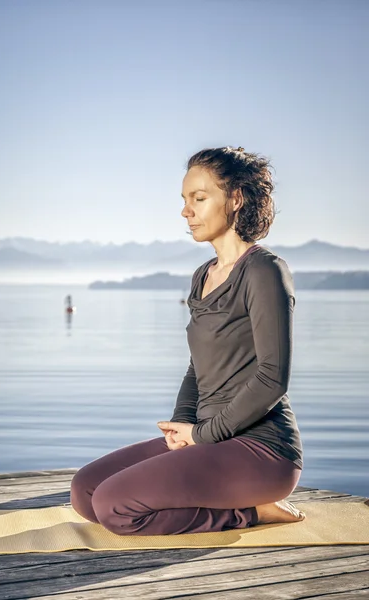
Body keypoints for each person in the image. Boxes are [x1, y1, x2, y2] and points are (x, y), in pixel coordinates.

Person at [70, 146, 305, 535]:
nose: (186, 211)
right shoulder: (203, 275)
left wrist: (202, 435)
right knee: (86, 491)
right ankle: (217, 487)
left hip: (262, 452)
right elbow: (198, 366)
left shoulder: (264, 270)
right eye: (184, 200)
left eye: (199, 198)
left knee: (113, 506)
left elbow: (272, 377)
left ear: (235, 199)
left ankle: (253, 512)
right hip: (205, 436)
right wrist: (183, 424)